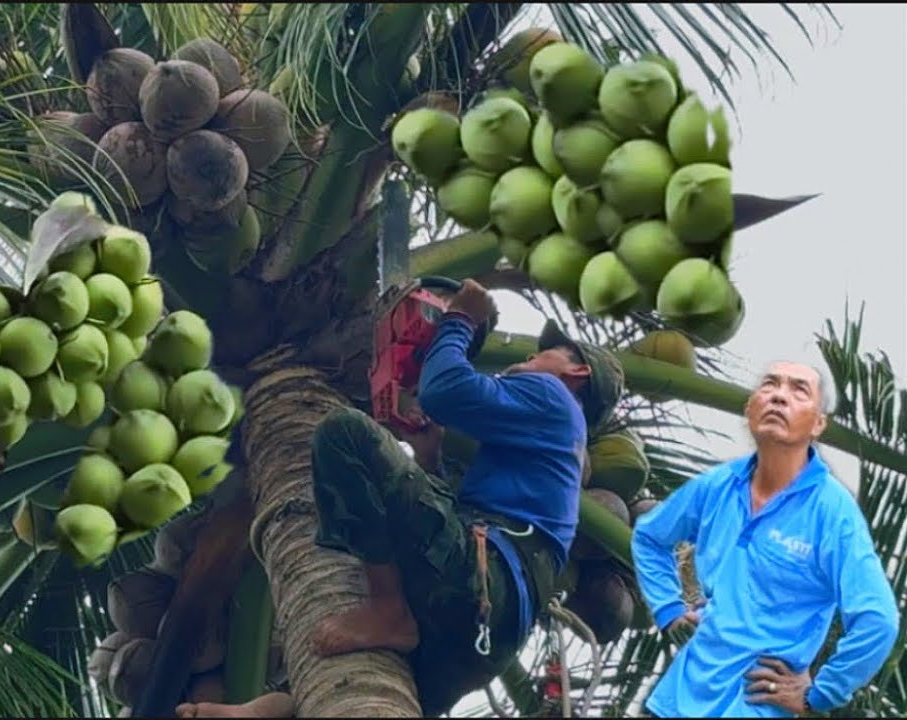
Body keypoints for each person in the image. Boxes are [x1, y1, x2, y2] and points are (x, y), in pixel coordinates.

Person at [175, 279, 624, 718]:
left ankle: (387, 608)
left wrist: (459, 320)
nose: (529, 357)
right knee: (355, 682)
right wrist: (430, 458)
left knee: (345, 432)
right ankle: (266, 710)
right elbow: (472, 512)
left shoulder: (552, 396)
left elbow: (443, 391)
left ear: (576, 373)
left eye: (543, 353)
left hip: (479, 580)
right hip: (486, 639)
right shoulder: (553, 444)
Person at [632, 360, 900, 718]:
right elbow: (650, 537)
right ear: (750, 408)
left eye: (798, 390)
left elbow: (878, 619)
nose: (778, 396)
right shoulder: (719, 485)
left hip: (753, 706)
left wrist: (818, 695)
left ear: (818, 423)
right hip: (673, 702)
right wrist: (669, 610)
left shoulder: (831, 511)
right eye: (770, 385)